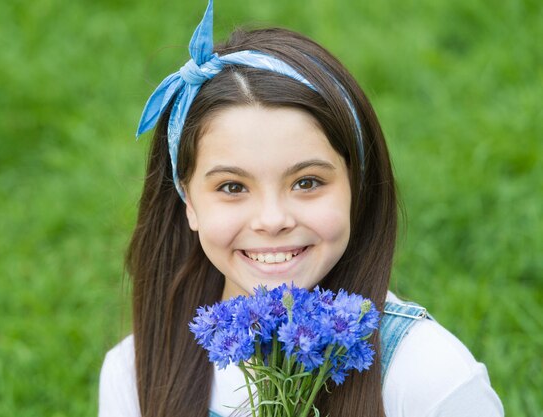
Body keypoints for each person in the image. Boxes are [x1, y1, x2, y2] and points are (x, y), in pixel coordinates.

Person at [99, 1, 504, 416]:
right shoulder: (134, 374)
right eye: (233, 186)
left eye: (307, 182)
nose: (273, 220)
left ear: (355, 186)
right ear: (188, 200)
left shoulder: (430, 379)